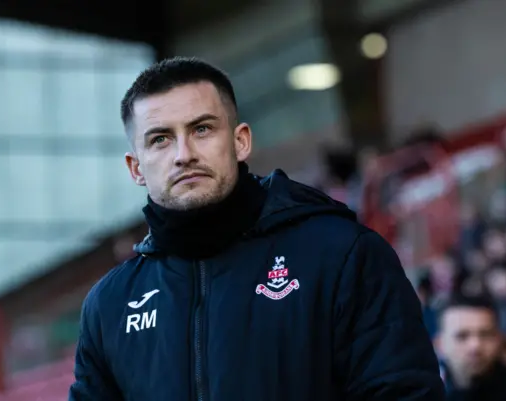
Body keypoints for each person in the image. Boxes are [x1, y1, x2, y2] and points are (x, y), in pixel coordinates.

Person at [69, 57, 444, 401]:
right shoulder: (110, 306)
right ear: (136, 168)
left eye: (201, 129)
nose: (183, 154)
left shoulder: (342, 254)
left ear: (240, 141)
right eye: (160, 139)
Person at [436, 294, 506, 400]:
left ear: (499, 339)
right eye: (462, 336)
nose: (475, 346)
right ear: (440, 344)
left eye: (485, 335)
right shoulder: (425, 395)